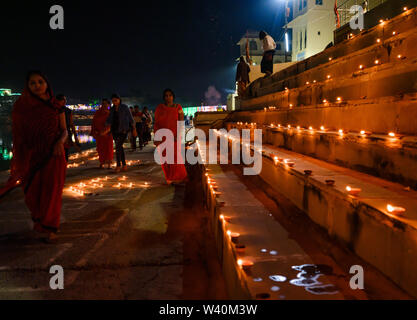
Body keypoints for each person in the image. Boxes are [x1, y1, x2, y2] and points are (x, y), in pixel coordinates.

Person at [0, 71, 68, 242]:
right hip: (31, 155)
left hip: (54, 154)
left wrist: (60, 141)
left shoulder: (56, 106)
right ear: (28, 86)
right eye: (32, 83)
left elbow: (64, 129)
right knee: (31, 193)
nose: (37, 85)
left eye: (40, 82)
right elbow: (19, 133)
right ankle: (40, 221)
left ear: (47, 84)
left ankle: (51, 227)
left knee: (52, 193)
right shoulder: (22, 107)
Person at [154, 89, 187, 185]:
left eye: (170, 95)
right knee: (165, 158)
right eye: (166, 96)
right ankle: (169, 177)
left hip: (174, 136)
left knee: (175, 158)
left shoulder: (178, 107)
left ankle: (179, 177)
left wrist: (178, 134)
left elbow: (181, 122)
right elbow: (157, 123)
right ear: (164, 97)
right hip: (162, 136)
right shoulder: (160, 108)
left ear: (173, 97)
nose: (168, 97)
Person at [104, 94, 135, 172]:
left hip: (123, 130)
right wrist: (105, 126)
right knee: (119, 147)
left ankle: (118, 165)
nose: (114, 102)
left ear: (119, 100)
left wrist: (134, 129)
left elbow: (131, 118)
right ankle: (124, 165)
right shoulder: (112, 109)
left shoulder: (124, 107)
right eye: (113, 101)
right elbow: (109, 119)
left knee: (118, 146)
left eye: (116, 100)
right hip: (114, 130)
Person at [56, 94, 80, 161]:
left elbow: (71, 124)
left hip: (66, 134)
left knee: (65, 153)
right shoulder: (54, 110)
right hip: (56, 135)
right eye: (62, 100)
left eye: (65, 100)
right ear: (57, 101)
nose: (64, 101)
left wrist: (75, 136)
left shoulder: (68, 111)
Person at [90, 99, 113, 169]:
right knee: (100, 149)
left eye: (106, 104)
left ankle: (109, 164)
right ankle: (101, 163)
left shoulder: (110, 114)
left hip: (108, 134)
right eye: (103, 103)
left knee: (109, 149)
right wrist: (95, 132)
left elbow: (111, 124)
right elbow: (93, 123)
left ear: (109, 105)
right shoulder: (97, 113)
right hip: (99, 134)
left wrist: (105, 132)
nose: (104, 105)